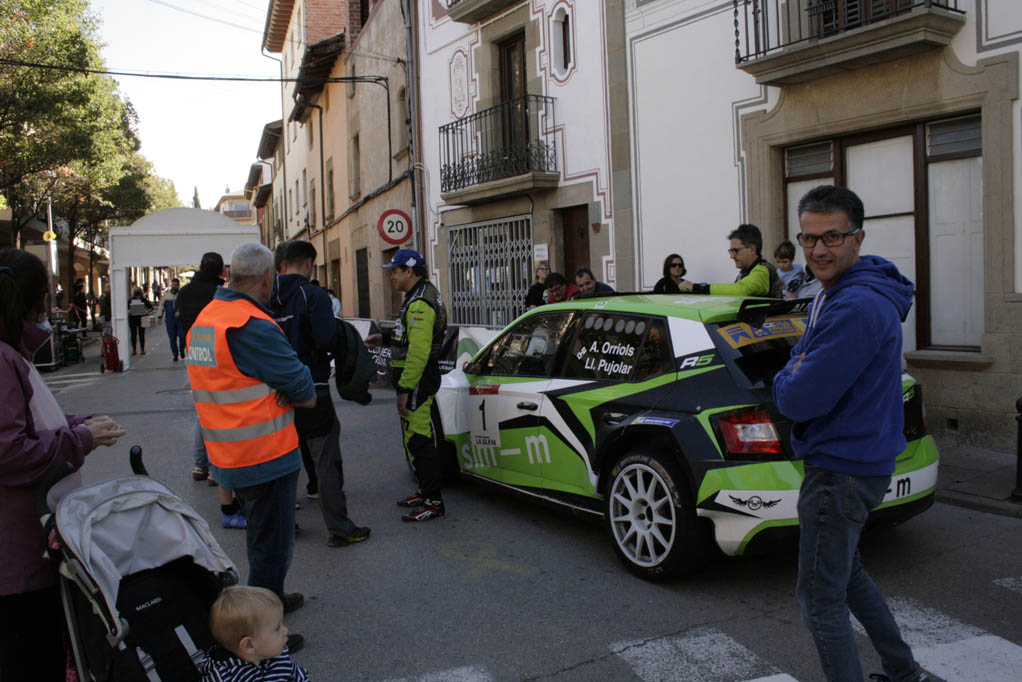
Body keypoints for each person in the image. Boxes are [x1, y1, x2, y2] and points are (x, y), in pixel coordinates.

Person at [772, 185, 926, 682]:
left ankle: (903, 672)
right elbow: (808, 368)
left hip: (840, 468)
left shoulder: (853, 306)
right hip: (860, 460)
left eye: (832, 237)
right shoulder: (850, 291)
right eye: (809, 238)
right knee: (847, 573)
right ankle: (904, 671)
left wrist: (789, 368)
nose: (818, 250)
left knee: (820, 598)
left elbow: (797, 399)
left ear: (858, 238)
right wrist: (800, 361)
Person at [0, 248, 126, 681]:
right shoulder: (4, 359)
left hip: (26, 549)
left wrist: (80, 424)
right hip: (18, 556)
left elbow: (31, 422)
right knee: (33, 661)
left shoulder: (11, 353)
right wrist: (81, 439)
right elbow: (10, 452)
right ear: (35, 301)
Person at [186, 242, 313, 651]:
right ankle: (263, 631)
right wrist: (283, 391)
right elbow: (303, 388)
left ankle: (271, 601)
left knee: (262, 537)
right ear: (266, 279)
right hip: (264, 454)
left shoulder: (208, 317)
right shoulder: (251, 324)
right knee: (271, 547)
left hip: (229, 453)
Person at [270, 240, 370, 547]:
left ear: (280, 265)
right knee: (326, 459)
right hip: (312, 388)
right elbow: (326, 339)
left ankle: (285, 525)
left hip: (274, 393)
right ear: (309, 263)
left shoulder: (263, 297)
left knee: (281, 461)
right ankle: (340, 528)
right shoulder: (313, 295)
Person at [365, 249, 449, 522]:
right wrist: (384, 337)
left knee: (419, 439)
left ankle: (433, 501)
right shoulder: (417, 295)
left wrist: (405, 389)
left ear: (409, 271)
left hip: (418, 380)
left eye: (395, 271)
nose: (392, 277)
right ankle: (425, 491)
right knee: (412, 437)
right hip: (416, 379)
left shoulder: (420, 303)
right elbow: (408, 336)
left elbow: (419, 352)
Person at [178, 252, 226, 482]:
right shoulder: (219, 292)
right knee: (218, 410)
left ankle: (199, 465)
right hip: (217, 350)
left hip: (194, 350)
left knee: (202, 408)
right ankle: (215, 469)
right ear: (220, 270)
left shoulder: (185, 292)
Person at [201, 586, 309, 682]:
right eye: (277, 628)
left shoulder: (277, 653)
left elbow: (298, 676)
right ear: (249, 645)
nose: (285, 630)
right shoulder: (226, 678)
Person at [680, 224, 783, 297]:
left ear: (752, 249)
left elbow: (740, 290)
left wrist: (697, 288)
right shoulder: (747, 272)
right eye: (731, 251)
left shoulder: (762, 271)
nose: (732, 256)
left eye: (735, 251)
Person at [157, 277, 187, 362]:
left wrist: (180, 311)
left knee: (182, 336)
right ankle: (175, 354)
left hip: (180, 319)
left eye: (176, 285)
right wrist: (159, 316)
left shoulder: (181, 295)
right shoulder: (166, 295)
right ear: (171, 285)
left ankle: (182, 349)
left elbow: (186, 305)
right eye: (173, 285)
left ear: (179, 285)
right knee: (172, 338)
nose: (175, 286)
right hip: (170, 319)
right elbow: (161, 306)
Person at [127, 286, 153, 355]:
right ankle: (136, 349)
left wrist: (146, 311)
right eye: (136, 294)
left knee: (139, 334)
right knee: (135, 334)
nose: (138, 296)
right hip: (135, 318)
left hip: (140, 318)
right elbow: (127, 309)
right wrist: (130, 311)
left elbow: (151, 307)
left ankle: (140, 349)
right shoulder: (134, 300)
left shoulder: (142, 300)